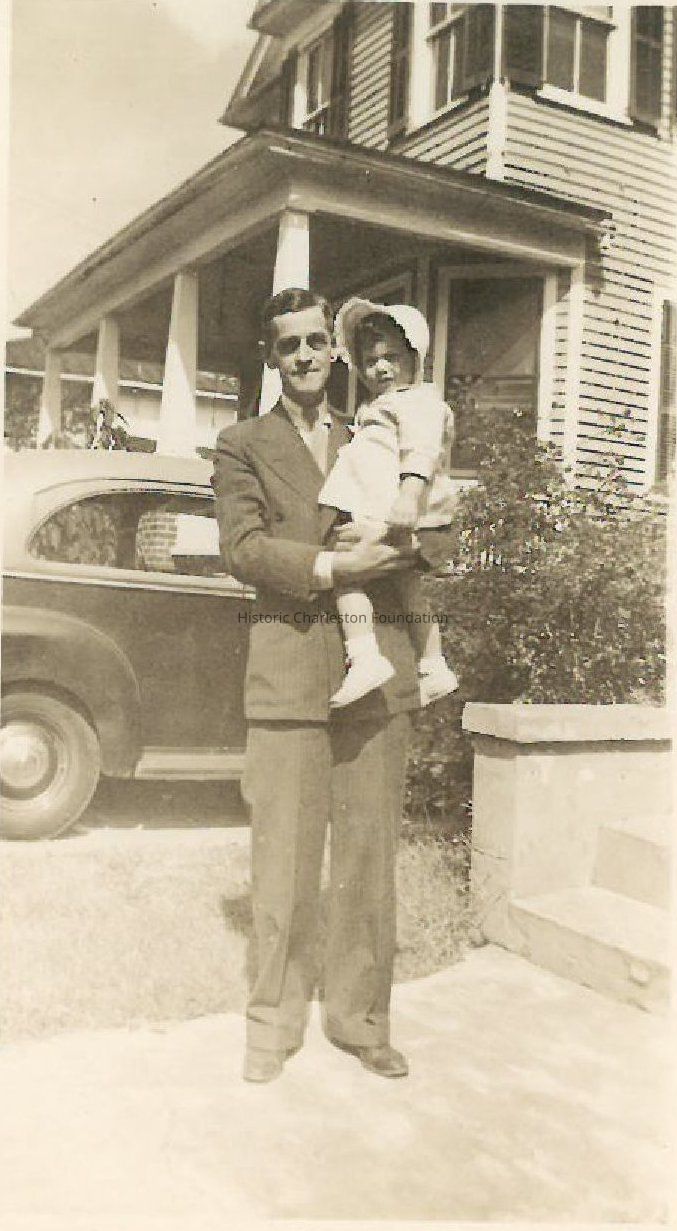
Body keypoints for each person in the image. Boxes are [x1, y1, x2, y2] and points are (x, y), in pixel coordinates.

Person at [212, 288, 450, 1084]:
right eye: (290, 345)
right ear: (271, 357)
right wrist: (334, 566)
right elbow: (244, 548)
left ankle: (361, 1020)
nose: (306, 355)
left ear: (334, 349)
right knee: (281, 862)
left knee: (367, 858)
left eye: (317, 341)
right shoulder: (241, 443)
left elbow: (439, 531)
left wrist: (403, 544)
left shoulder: (381, 422)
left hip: (377, 673)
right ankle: (272, 1025)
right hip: (287, 674)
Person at [319, 298, 458, 709]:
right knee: (408, 587)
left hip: (397, 510)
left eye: (392, 358)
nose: (380, 368)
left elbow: (422, 451)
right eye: (370, 361)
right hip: (389, 510)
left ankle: (364, 656)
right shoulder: (383, 405)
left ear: (415, 358)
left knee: (345, 572)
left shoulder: (419, 402)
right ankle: (433, 665)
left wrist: (409, 497)